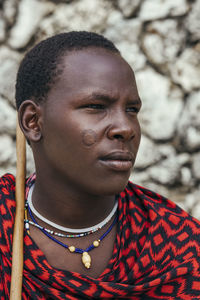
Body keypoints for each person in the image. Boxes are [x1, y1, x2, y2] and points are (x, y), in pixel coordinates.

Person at [0, 31, 200, 299]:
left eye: (132, 110)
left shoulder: (179, 246)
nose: (125, 128)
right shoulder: (5, 226)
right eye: (96, 106)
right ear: (33, 122)